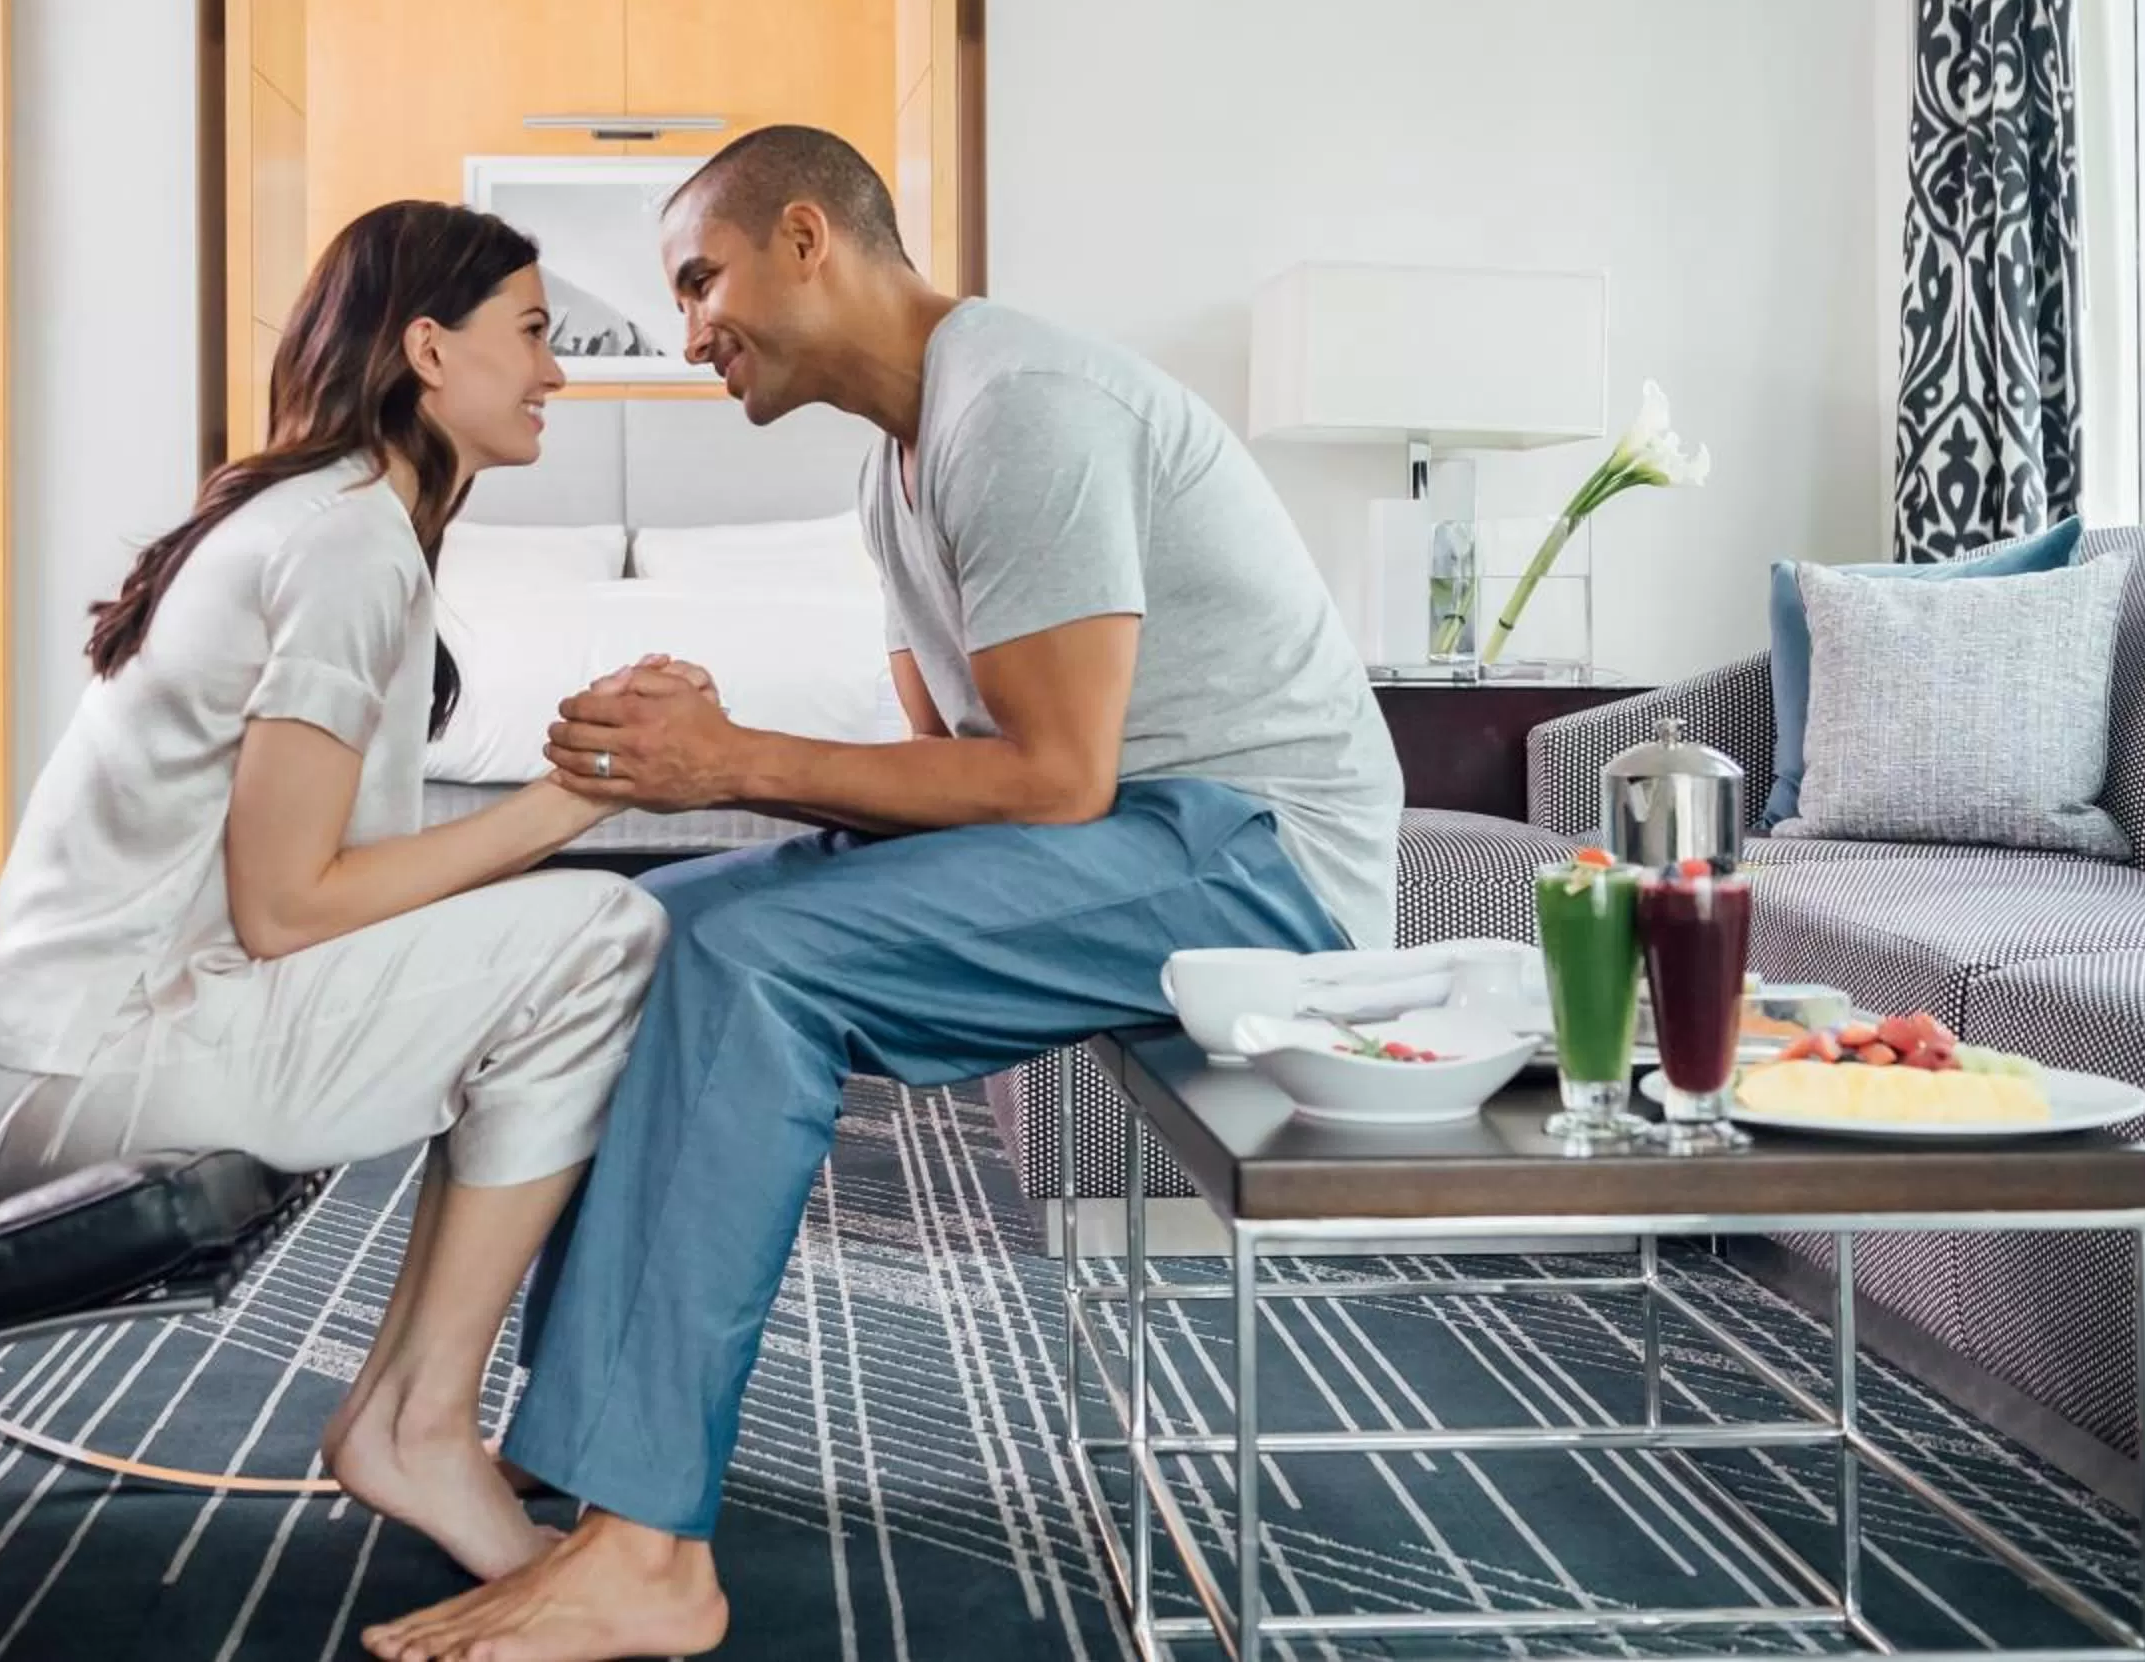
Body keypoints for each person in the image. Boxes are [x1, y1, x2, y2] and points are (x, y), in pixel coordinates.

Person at [361, 128, 1402, 1662]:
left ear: (807, 237)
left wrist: (728, 755)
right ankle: (578, 1449)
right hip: (1135, 838)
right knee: (660, 926)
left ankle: (650, 1554)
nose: (687, 328)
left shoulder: (1021, 408)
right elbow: (944, 773)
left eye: (700, 279)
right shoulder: (893, 477)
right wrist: (723, 766)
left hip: (1259, 858)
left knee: (763, 957)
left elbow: (1053, 778)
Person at [0, 200, 670, 1588]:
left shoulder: (327, 516)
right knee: (612, 930)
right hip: (95, 1060)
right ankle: (421, 1418)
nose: (558, 372)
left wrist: (559, 800)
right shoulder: (344, 541)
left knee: (559, 942)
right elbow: (288, 905)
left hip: (58, 1044)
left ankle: (409, 1410)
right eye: (531, 333)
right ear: (427, 350)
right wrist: (570, 806)